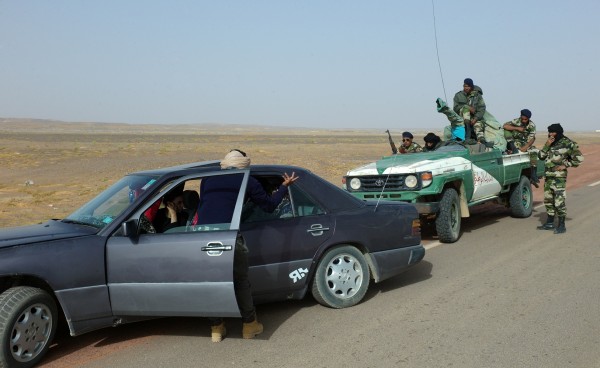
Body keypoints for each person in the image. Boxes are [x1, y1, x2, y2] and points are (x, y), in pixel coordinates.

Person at [195, 149, 299, 342]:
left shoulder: (207, 180)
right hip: (229, 239)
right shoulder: (247, 180)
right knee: (240, 282)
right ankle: (249, 326)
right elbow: (268, 206)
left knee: (211, 283)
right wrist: (284, 187)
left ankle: (216, 328)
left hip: (203, 238)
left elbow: (207, 207)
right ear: (245, 164)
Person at [536, 124, 584, 234]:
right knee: (548, 200)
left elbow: (579, 158)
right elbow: (541, 156)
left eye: (553, 132)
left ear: (559, 132)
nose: (551, 134)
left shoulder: (568, 143)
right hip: (548, 175)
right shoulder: (550, 142)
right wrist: (547, 145)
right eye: (549, 132)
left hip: (559, 177)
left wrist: (565, 165)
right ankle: (549, 223)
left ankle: (562, 225)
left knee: (559, 201)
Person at [503, 109, 540, 187]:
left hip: (525, 143)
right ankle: (513, 149)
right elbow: (505, 126)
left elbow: (532, 139)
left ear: (528, 118)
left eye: (525, 119)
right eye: (522, 118)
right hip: (515, 141)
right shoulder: (516, 121)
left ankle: (533, 174)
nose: (523, 121)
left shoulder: (531, 126)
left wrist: (525, 147)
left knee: (533, 152)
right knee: (506, 131)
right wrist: (516, 128)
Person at [453, 78, 487, 143]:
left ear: (471, 86)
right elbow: (455, 108)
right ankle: (468, 133)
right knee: (466, 109)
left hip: (474, 118)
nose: (466, 88)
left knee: (478, 125)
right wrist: (467, 107)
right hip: (462, 117)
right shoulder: (458, 95)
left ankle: (481, 139)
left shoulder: (477, 96)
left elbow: (482, 108)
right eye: (465, 86)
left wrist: (476, 118)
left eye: (468, 86)